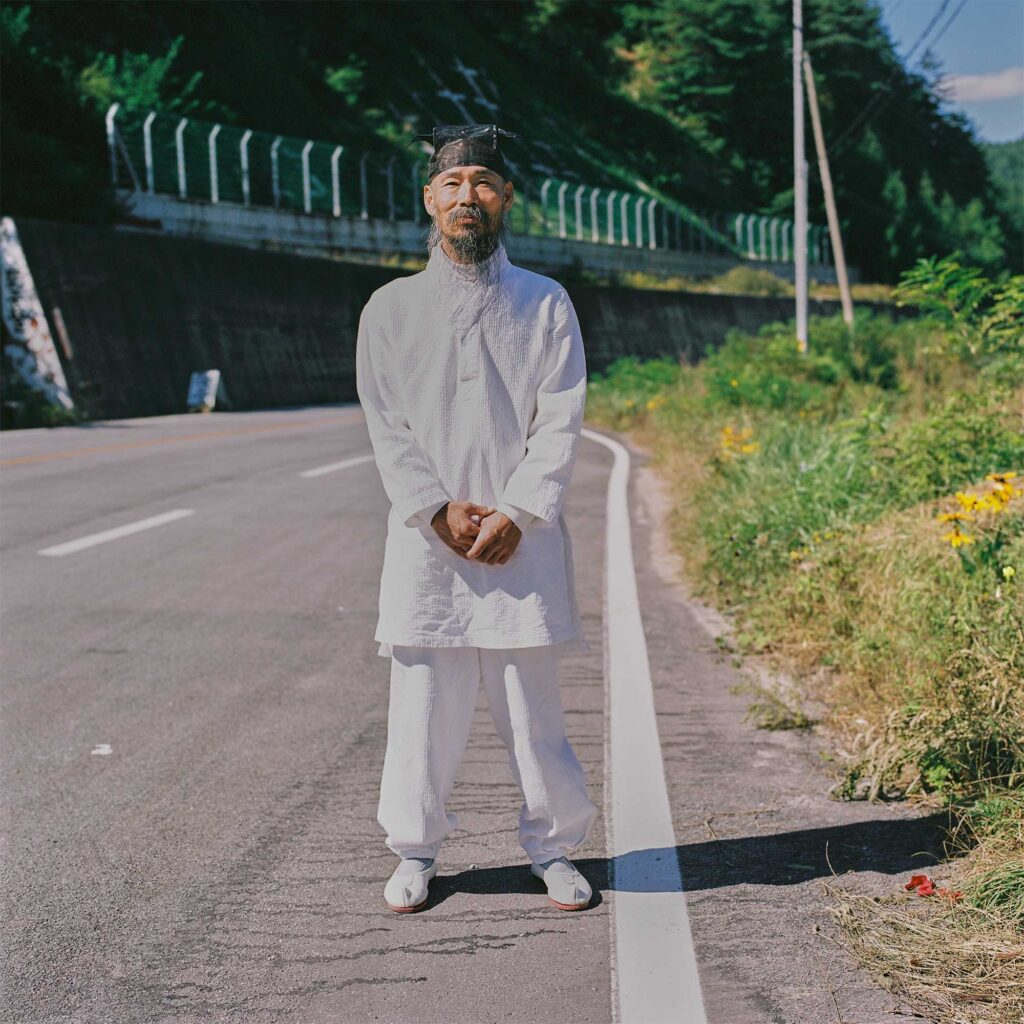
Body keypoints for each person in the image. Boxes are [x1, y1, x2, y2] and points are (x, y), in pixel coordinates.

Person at [355, 123, 598, 914]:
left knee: (533, 713)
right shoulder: (389, 309)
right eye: (453, 186)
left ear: (505, 199)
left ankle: (554, 848)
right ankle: (415, 851)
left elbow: (561, 419)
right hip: (428, 546)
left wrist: (521, 509)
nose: (468, 198)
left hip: (519, 542)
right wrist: (434, 508)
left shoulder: (545, 303)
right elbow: (385, 423)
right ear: (430, 198)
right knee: (423, 710)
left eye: (484, 184)